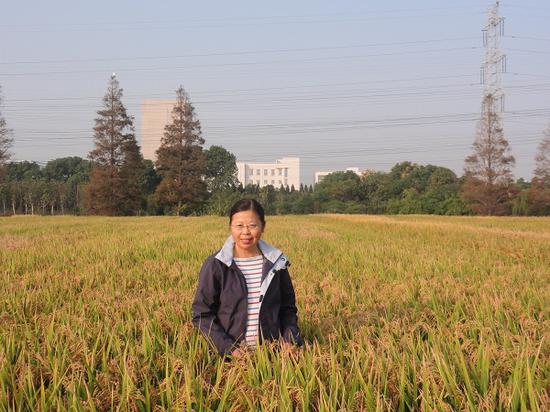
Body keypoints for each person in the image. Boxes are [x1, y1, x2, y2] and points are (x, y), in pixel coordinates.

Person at [192, 198, 303, 358]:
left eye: (252, 225)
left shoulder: (276, 263)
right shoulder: (217, 265)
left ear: (263, 227)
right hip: (230, 359)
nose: (246, 232)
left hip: (272, 355)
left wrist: (289, 339)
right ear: (230, 227)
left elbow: (288, 309)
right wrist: (229, 350)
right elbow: (202, 315)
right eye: (239, 226)